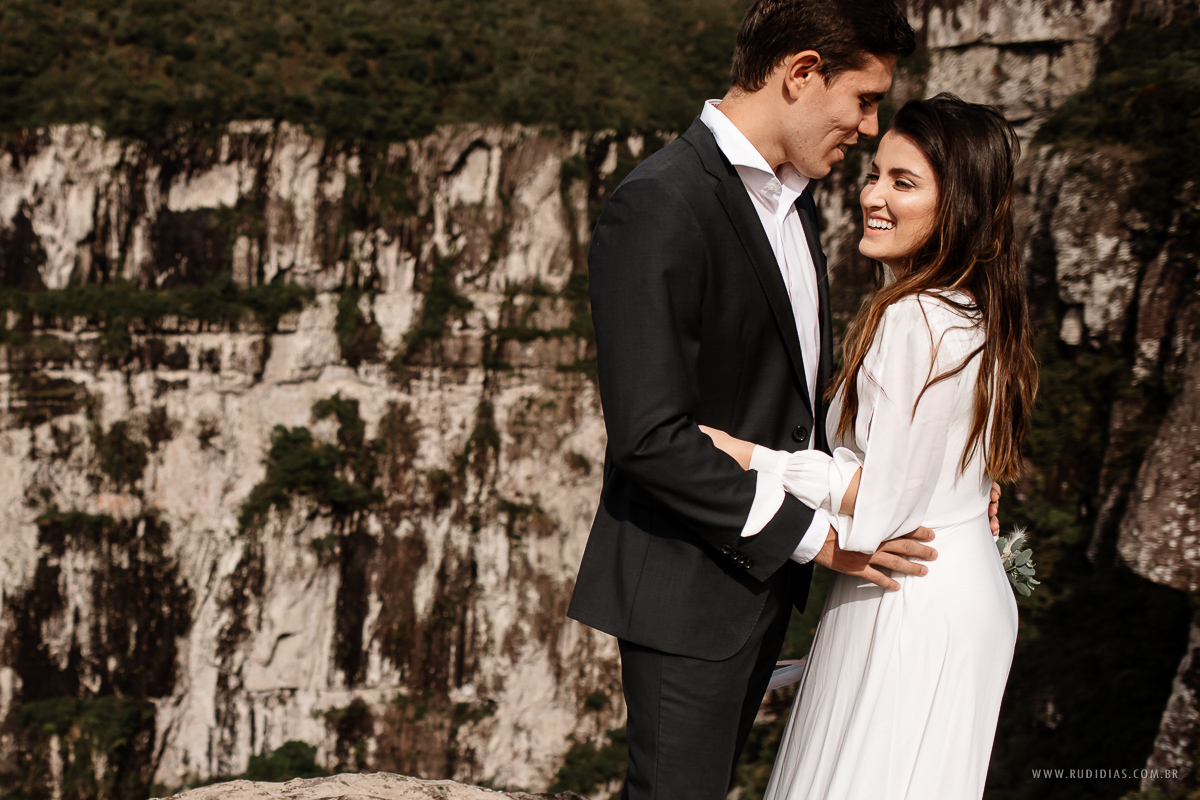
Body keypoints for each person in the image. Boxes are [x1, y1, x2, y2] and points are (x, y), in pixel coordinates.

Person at [564, 3, 1000, 798]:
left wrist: (945, 487)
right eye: (864, 99)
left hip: (764, 586)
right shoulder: (660, 202)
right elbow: (651, 437)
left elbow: (799, 400)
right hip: (688, 588)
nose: (868, 130)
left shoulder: (794, 200)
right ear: (802, 73)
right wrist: (820, 539)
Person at [701, 94, 1038, 799]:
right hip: (967, 591)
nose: (873, 196)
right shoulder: (978, 312)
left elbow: (884, 507)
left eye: (903, 182)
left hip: (909, 594)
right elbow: (949, 469)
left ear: (960, 208)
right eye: (876, 174)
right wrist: (965, 501)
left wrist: (749, 457)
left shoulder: (916, 316)